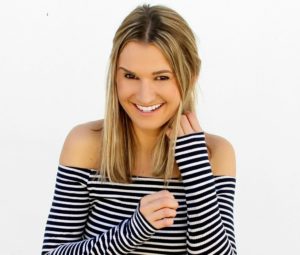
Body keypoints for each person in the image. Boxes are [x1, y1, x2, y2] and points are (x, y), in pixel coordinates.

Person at [41, 4, 237, 255]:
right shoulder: (85, 145)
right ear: (115, 76)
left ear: (192, 75)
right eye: (131, 76)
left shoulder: (215, 154)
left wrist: (196, 169)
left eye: (162, 77)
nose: (145, 96)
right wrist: (132, 231)